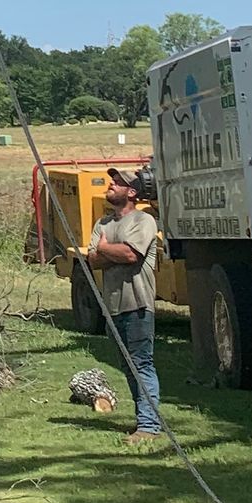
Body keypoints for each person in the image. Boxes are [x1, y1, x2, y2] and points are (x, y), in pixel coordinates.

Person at [83, 165, 164, 442]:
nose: (111, 185)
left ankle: (149, 427)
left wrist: (106, 249)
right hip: (113, 306)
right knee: (128, 367)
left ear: (132, 192)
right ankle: (145, 421)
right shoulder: (103, 224)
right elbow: (92, 259)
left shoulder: (144, 221)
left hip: (138, 305)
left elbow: (131, 255)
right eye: (111, 181)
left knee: (142, 365)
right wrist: (105, 253)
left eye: (117, 182)